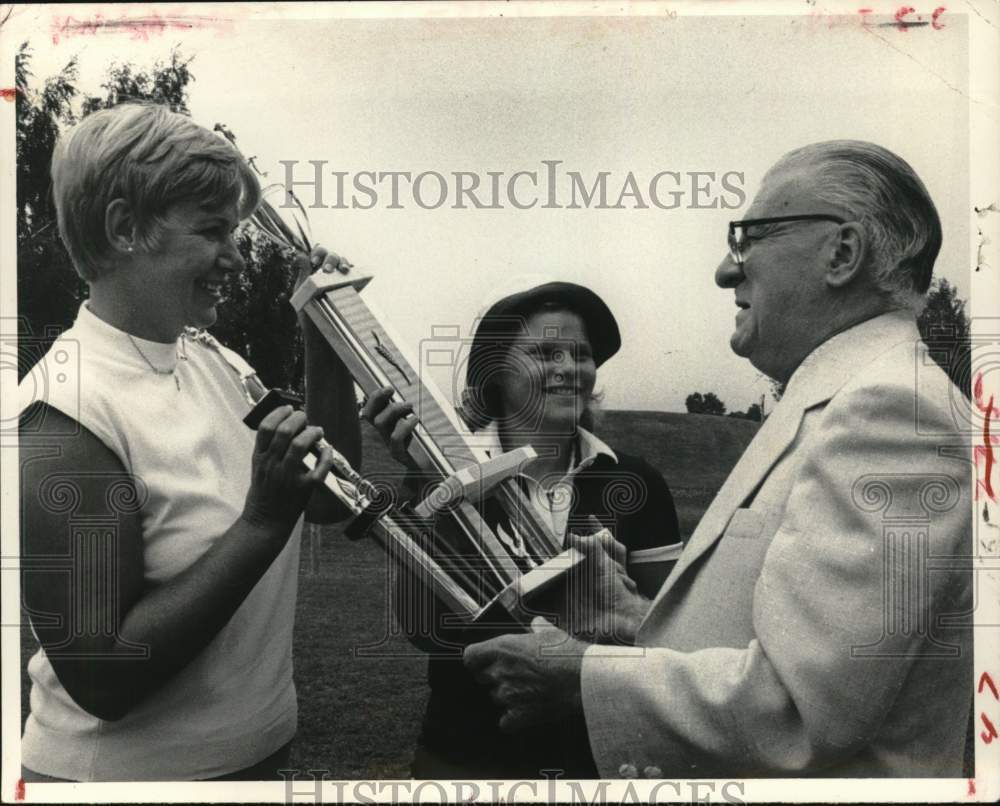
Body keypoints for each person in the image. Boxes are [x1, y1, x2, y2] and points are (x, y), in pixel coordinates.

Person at [464, 141, 973, 777]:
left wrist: (581, 677)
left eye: (749, 237)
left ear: (841, 253)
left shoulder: (893, 412)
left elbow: (802, 711)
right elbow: (786, 645)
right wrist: (632, 616)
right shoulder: (843, 401)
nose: (726, 271)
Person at [18, 102, 360, 781]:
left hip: (257, 758)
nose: (236, 258)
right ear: (124, 229)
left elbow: (327, 500)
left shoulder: (213, 360)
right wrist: (259, 521)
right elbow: (103, 675)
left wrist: (324, 340)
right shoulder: (65, 411)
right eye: (212, 231)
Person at [363, 278, 683, 778]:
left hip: (596, 760)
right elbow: (425, 631)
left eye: (580, 354)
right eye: (545, 352)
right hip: (466, 758)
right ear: (496, 373)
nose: (568, 369)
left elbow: (671, 637)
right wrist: (434, 487)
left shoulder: (634, 479)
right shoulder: (441, 474)